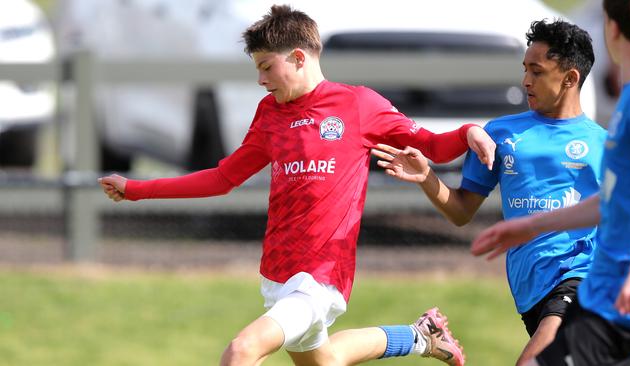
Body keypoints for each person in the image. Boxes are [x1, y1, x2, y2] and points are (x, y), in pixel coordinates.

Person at [98, 5, 497, 366]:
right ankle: (420, 336)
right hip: (277, 275)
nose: (260, 79)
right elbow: (222, 178)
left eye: (267, 67)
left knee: (241, 351)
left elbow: (432, 145)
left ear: (299, 57)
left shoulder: (357, 105)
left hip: (322, 277)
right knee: (329, 359)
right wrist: (136, 189)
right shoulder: (270, 114)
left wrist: (469, 132)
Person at [372, 19, 606, 366]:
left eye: (537, 72)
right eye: (525, 68)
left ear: (570, 78)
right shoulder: (500, 133)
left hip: (580, 277)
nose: (526, 80)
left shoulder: (603, 144)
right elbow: (461, 211)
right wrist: (426, 177)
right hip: (531, 292)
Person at [470, 0, 630, 365]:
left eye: (535, 70)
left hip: (617, 295)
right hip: (603, 295)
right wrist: (531, 225)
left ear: (611, 29)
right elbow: (612, 201)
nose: (526, 81)